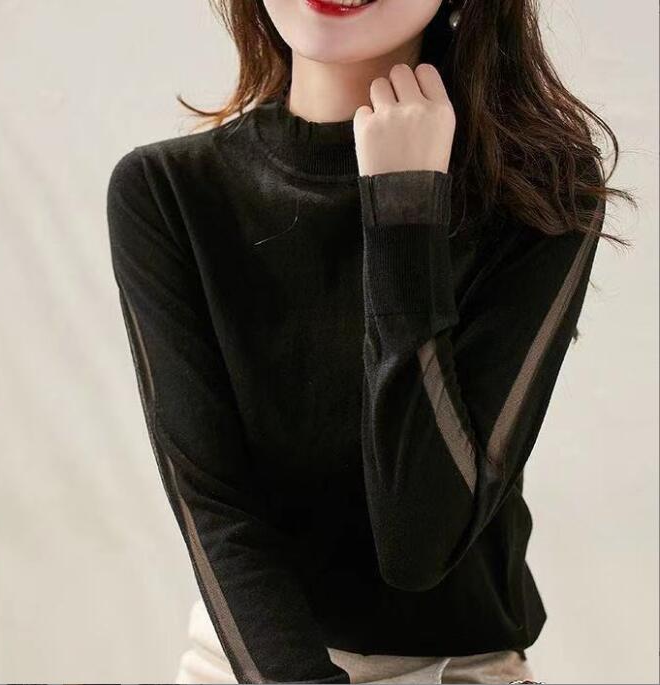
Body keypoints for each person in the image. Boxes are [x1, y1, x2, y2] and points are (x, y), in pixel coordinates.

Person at [106, 0, 631, 682]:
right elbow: (219, 512)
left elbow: (418, 544)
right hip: (250, 667)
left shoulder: (540, 195)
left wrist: (404, 210)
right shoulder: (167, 193)